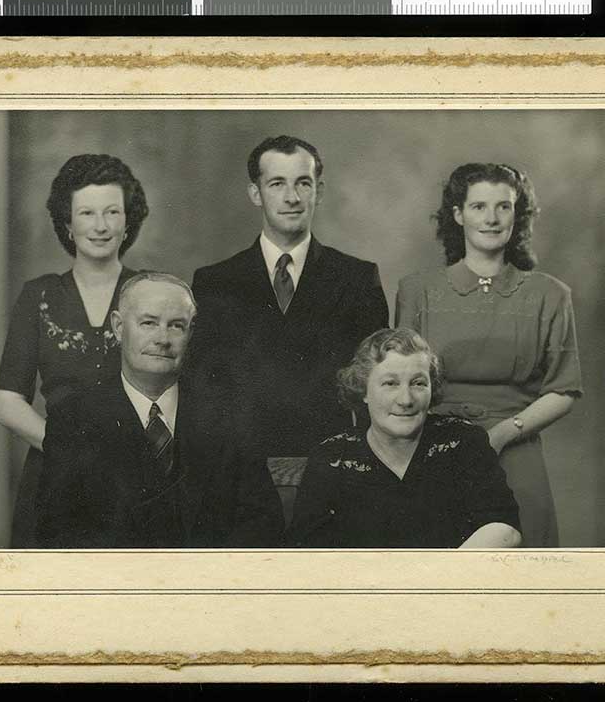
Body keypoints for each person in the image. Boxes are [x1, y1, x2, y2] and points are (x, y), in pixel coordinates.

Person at [395, 163, 583, 547]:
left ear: (519, 215)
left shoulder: (550, 295)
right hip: (432, 446)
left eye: (504, 207)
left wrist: (500, 435)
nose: (492, 219)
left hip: (515, 443)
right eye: (479, 206)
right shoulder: (417, 291)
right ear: (458, 215)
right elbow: (403, 383)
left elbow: (564, 390)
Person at [36, 272, 284, 548]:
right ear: (118, 327)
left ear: (190, 332)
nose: (162, 339)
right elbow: (57, 535)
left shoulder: (229, 415)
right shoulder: (73, 418)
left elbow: (262, 526)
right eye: (148, 323)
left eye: (176, 326)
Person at [189, 135, 389, 457]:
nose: (292, 197)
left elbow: (374, 382)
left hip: (333, 459)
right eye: (277, 184)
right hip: (239, 461)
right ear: (256, 193)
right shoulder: (215, 282)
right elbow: (205, 387)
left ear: (319, 192)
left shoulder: (357, 279)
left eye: (303, 184)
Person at [0, 154, 147, 548]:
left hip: (138, 475)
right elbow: (8, 400)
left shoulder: (152, 292)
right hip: (53, 475)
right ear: (67, 222)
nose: (100, 226)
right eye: (87, 213)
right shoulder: (39, 295)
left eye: (112, 211)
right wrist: (68, 454)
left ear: (127, 221)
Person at [287, 328, 521, 548]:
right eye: (390, 383)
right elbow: (308, 554)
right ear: (363, 391)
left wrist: (437, 580)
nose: (406, 400)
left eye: (418, 383)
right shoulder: (331, 458)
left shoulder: (464, 442)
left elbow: (504, 529)